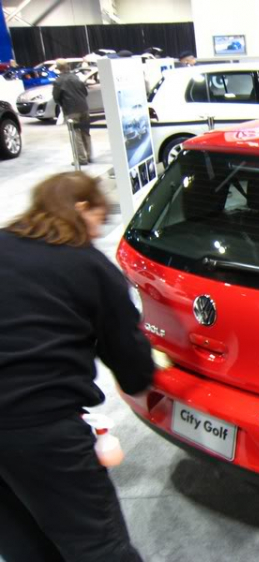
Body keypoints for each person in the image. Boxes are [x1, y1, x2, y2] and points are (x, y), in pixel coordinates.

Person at [0, 172, 154, 562]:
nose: (96, 233)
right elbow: (129, 357)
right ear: (82, 209)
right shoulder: (87, 265)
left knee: (20, 539)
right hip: (39, 421)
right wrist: (141, 381)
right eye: (99, 221)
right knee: (97, 544)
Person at [52, 59, 92, 167]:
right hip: (84, 107)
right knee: (86, 132)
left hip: (71, 110)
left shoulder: (58, 81)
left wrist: (63, 104)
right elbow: (85, 92)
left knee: (76, 135)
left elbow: (56, 98)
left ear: (59, 68)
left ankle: (81, 159)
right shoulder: (76, 77)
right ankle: (89, 156)